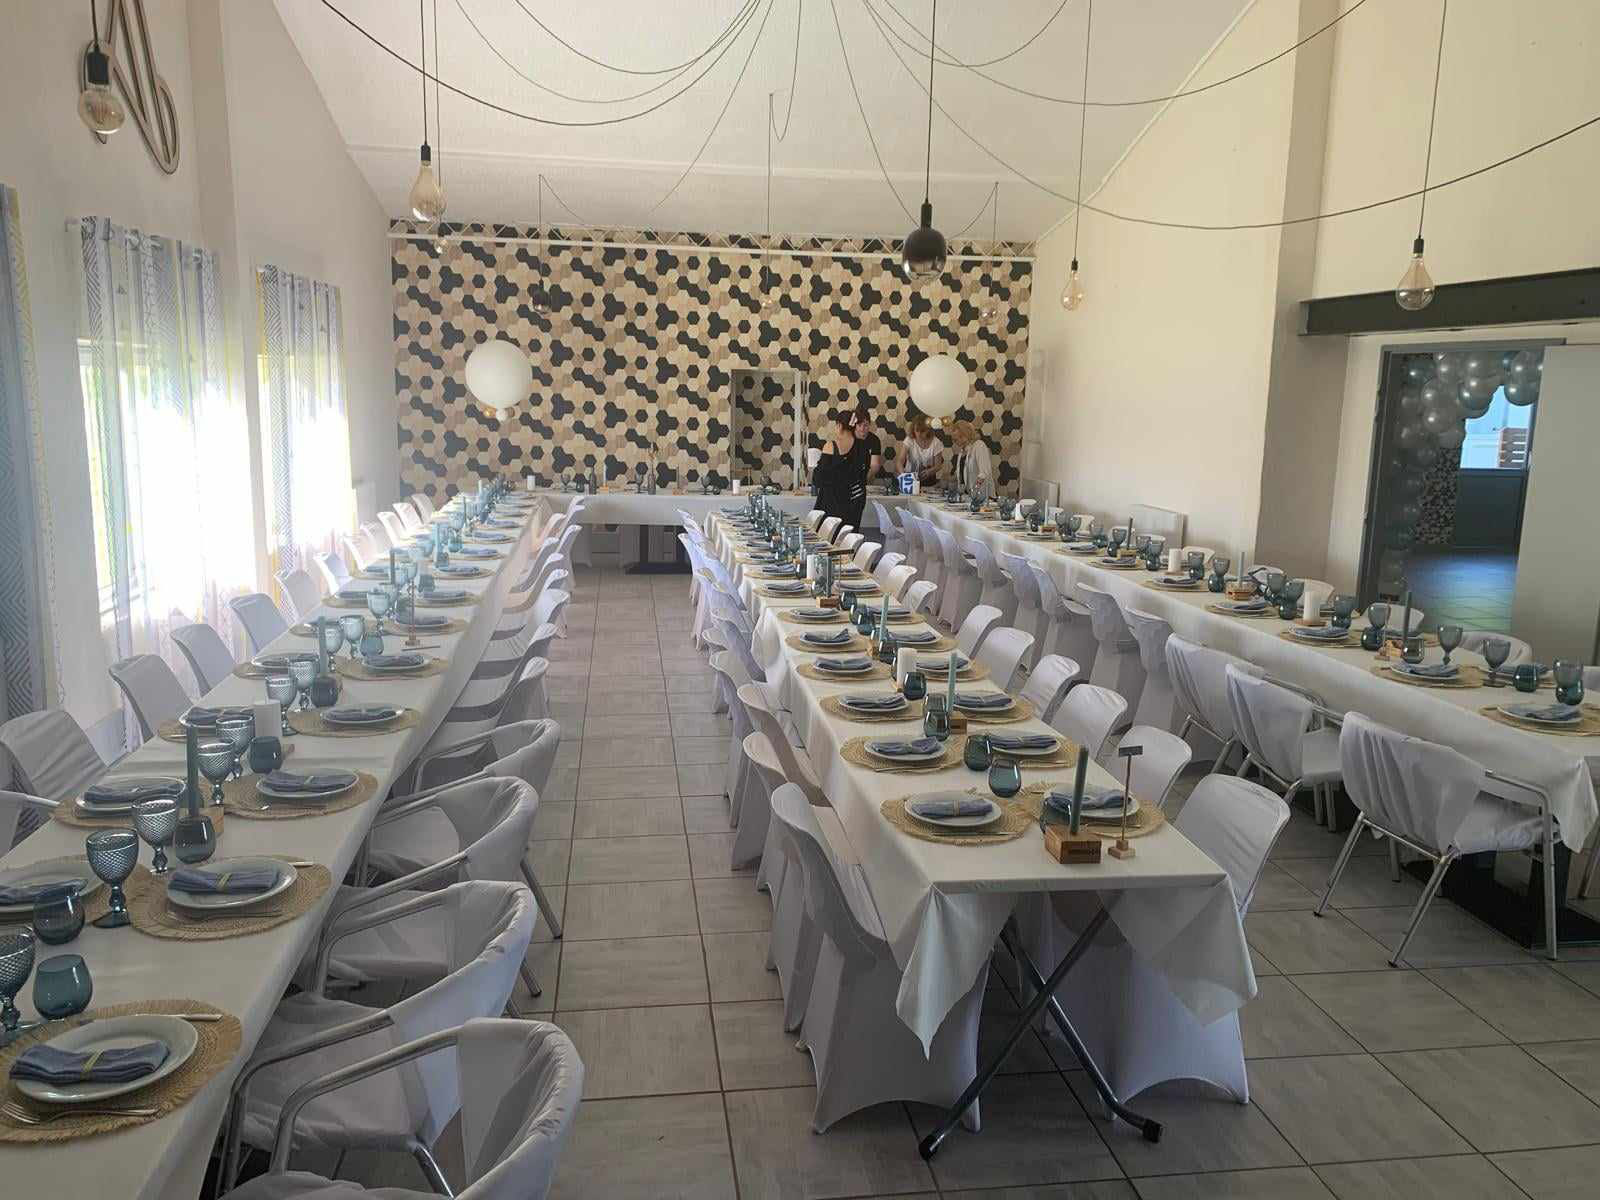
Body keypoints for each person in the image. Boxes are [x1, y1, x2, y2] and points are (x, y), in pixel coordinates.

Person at [813, 411, 871, 531]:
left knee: (829, 538)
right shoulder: (863, 447)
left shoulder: (831, 446)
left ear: (839, 425)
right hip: (855, 503)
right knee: (850, 538)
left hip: (832, 503)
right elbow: (863, 475)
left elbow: (818, 479)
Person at [893, 415, 944, 486]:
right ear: (913, 429)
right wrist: (903, 474)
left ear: (928, 430)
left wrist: (929, 471)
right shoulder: (909, 440)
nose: (919, 434)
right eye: (917, 430)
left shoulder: (936, 443)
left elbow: (938, 465)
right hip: (909, 479)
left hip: (928, 480)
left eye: (922, 431)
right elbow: (900, 460)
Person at [949, 420, 995, 495]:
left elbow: (984, 473)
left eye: (956, 439)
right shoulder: (961, 452)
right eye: (953, 439)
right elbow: (961, 475)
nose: (954, 441)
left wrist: (974, 490)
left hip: (982, 496)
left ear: (965, 435)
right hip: (968, 496)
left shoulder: (979, 446)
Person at [851, 406, 884, 479]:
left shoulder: (874, 440)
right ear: (855, 425)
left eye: (865, 425)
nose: (862, 429)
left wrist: (865, 480)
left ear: (870, 424)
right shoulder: (848, 437)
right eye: (859, 425)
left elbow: (874, 466)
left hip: (867, 476)